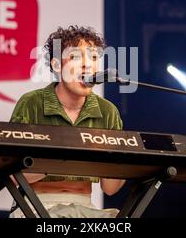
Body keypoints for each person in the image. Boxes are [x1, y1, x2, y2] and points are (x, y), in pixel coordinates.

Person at [10, 25, 125, 218]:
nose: (88, 65)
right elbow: (13, 175)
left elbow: (110, 188)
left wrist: (122, 158)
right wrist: (61, 159)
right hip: (36, 205)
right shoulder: (32, 103)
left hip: (86, 208)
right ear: (56, 65)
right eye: (76, 57)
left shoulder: (107, 111)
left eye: (94, 58)